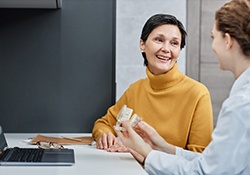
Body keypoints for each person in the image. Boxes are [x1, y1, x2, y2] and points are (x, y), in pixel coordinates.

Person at [115, 0, 250, 174]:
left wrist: (148, 154)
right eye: (159, 40)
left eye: (213, 37)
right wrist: (162, 146)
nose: (213, 45)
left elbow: (203, 171)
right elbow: (212, 162)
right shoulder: (242, 99)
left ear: (228, 41)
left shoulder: (240, 104)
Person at [92, 14, 213, 154]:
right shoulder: (135, 90)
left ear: (179, 51)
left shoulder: (197, 93)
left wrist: (143, 153)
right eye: (159, 40)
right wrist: (104, 135)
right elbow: (103, 123)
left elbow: (199, 158)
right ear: (142, 44)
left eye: (174, 43)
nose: (166, 49)